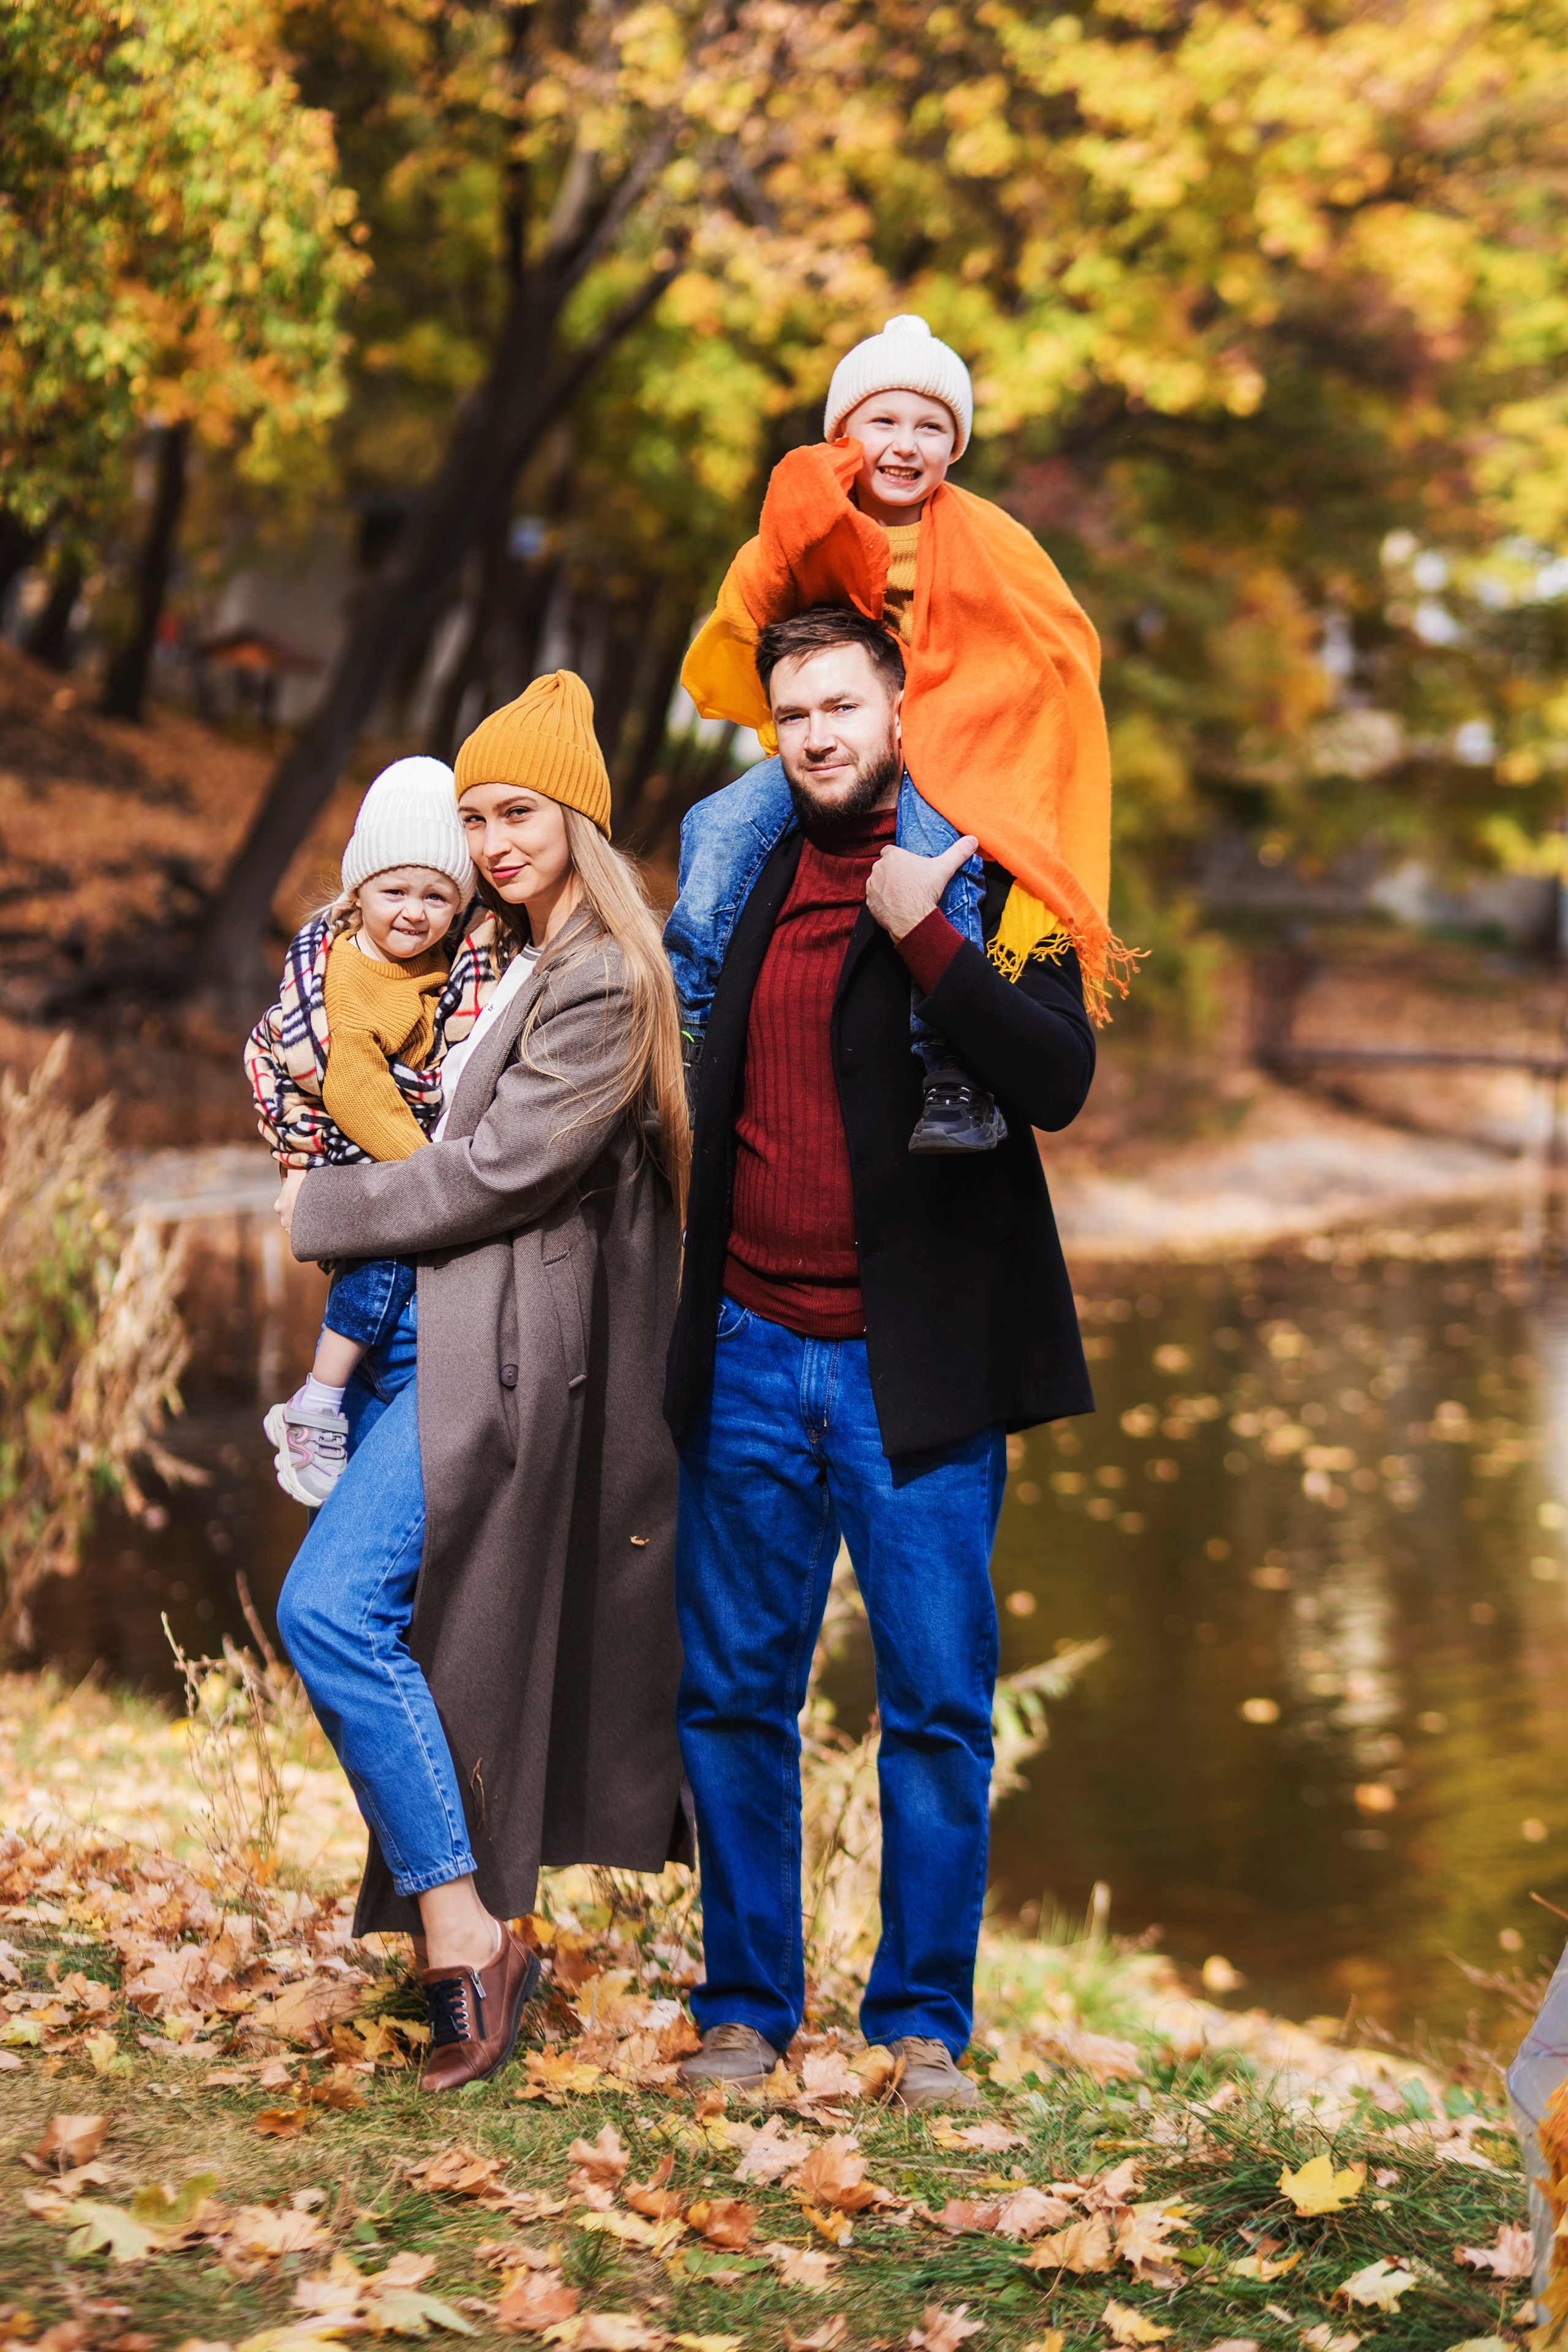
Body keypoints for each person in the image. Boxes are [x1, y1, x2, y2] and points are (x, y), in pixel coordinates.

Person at [665, 603, 1096, 2109]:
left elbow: (1054, 1077)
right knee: (730, 1693)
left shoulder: (977, 862)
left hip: (908, 1374)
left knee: (930, 1705)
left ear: (899, 706)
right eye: (791, 715)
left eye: (841, 705)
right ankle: (740, 2007)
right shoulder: (744, 869)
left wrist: (921, 927)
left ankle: (920, 2028)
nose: (817, 736)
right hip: (745, 1348)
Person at [272, 672, 691, 2093]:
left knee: (330, 1608)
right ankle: (467, 1927)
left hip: (499, 1355)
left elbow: (491, 1173)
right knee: (393, 1629)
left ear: (576, 814)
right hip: (430, 1335)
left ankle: (464, 1930)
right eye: (472, 818)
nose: (490, 840)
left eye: (515, 811)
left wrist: (317, 1212)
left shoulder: (604, 982)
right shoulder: (507, 956)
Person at [674, 312, 1128, 1152]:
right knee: (717, 826)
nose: (905, 445)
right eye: (884, 421)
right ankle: (691, 1026)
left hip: (956, 743)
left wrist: (974, 716)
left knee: (934, 849)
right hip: (855, 742)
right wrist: (799, 510)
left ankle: (952, 1066)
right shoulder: (813, 519)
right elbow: (755, 610)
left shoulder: (992, 543)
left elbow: (1054, 650)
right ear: (844, 433)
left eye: (932, 428)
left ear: (954, 449)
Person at [245, 756, 499, 1506]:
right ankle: (317, 1403)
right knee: (384, 1264)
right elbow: (354, 1089)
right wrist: (431, 1174)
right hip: (359, 1142)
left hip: (388, 1142)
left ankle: (333, 1406)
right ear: (359, 893)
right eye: (395, 892)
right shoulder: (351, 977)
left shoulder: (434, 963)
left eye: (437, 896)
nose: (413, 913)